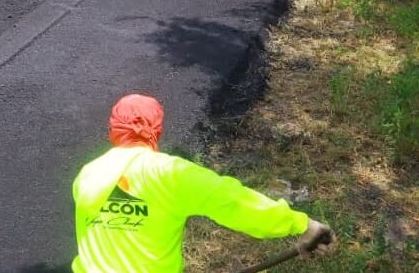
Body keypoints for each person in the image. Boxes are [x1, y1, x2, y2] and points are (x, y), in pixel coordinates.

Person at [72, 94, 334, 273]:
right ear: (157, 130)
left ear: (113, 129)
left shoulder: (87, 174)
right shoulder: (169, 174)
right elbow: (234, 201)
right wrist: (301, 224)